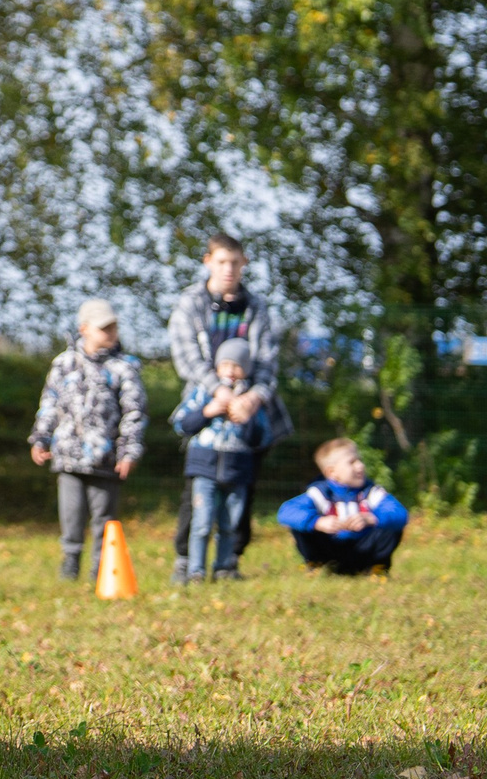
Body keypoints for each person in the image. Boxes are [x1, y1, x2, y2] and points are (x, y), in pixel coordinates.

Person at [166, 233, 289, 578]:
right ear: (208, 261)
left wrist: (252, 398)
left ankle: (230, 559)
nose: (229, 269)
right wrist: (218, 392)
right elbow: (186, 356)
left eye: (235, 262)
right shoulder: (190, 303)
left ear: (244, 264)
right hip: (207, 405)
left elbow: (267, 361)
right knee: (198, 490)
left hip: (249, 412)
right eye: (222, 262)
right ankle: (186, 560)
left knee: (242, 489)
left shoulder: (256, 307)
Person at [27, 298, 146, 583]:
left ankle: (100, 569)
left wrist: (128, 452)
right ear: (84, 329)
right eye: (104, 328)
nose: (111, 333)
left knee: (104, 517)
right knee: (71, 515)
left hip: (106, 460)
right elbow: (50, 403)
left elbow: (134, 412)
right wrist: (40, 438)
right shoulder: (64, 364)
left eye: (113, 327)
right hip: (67, 457)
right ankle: (70, 562)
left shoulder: (124, 367)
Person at [172, 338, 273, 582]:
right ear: (216, 367)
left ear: (246, 369)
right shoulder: (204, 393)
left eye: (236, 366)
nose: (229, 371)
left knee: (230, 523)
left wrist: (246, 417)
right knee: (202, 522)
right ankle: (196, 570)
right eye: (225, 364)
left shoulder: (250, 400)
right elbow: (182, 423)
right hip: (204, 468)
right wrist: (209, 411)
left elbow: (261, 437)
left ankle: (224, 567)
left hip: (238, 470)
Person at [277, 437, 408, 576]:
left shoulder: (371, 492)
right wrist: (317, 522)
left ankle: (377, 568)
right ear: (331, 472)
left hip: (365, 552)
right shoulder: (320, 493)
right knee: (301, 524)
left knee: (392, 525)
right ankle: (317, 565)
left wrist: (372, 518)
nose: (360, 466)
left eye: (360, 460)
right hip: (329, 550)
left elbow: (401, 513)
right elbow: (286, 511)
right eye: (352, 462)